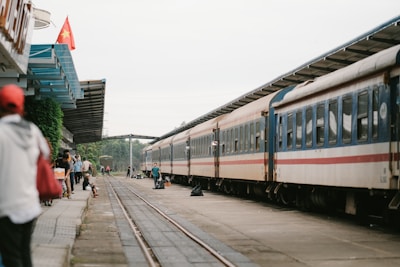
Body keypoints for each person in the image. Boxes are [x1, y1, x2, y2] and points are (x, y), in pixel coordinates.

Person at [0, 84, 50, 267]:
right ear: (21, 106)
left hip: (7, 208)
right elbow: (45, 155)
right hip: (30, 205)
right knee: (24, 253)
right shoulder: (33, 131)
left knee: (12, 257)